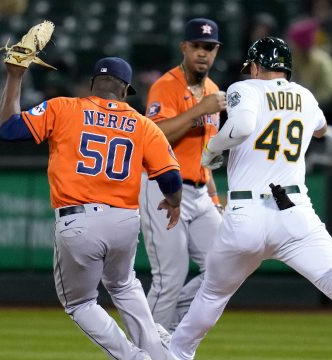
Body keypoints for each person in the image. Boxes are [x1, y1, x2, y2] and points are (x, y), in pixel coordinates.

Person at [169, 36, 332, 360]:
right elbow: (321, 130)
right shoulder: (306, 95)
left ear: (255, 66)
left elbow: (242, 126)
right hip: (292, 208)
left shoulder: (244, 88)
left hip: (247, 210)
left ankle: (175, 354)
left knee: (213, 295)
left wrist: (213, 148)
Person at [0, 56, 183, 360]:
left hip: (79, 221)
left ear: (92, 84)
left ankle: (134, 358)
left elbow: (8, 129)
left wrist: (15, 76)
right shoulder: (143, 124)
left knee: (80, 304)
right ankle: (160, 356)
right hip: (124, 221)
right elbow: (171, 177)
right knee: (123, 285)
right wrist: (174, 202)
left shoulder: (63, 108)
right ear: (124, 90)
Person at [139, 17, 226, 333]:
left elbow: (206, 154)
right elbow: (155, 135)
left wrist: (215, 198)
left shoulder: (213, 91)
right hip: (163, 189)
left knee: (224, 268)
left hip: (201, 193)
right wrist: (200, 110)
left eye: (209, 47)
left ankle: (168, 333)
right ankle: (143, 351)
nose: (203, 53)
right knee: (170, 278)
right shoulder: (166, 86)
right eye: (197, 46)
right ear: (184, 47)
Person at [286, 18, 332, 106]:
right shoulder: (291, 60)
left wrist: (309, 102)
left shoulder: (322, 61)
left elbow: (329, 89)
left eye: (295, 45)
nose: (292, 48)